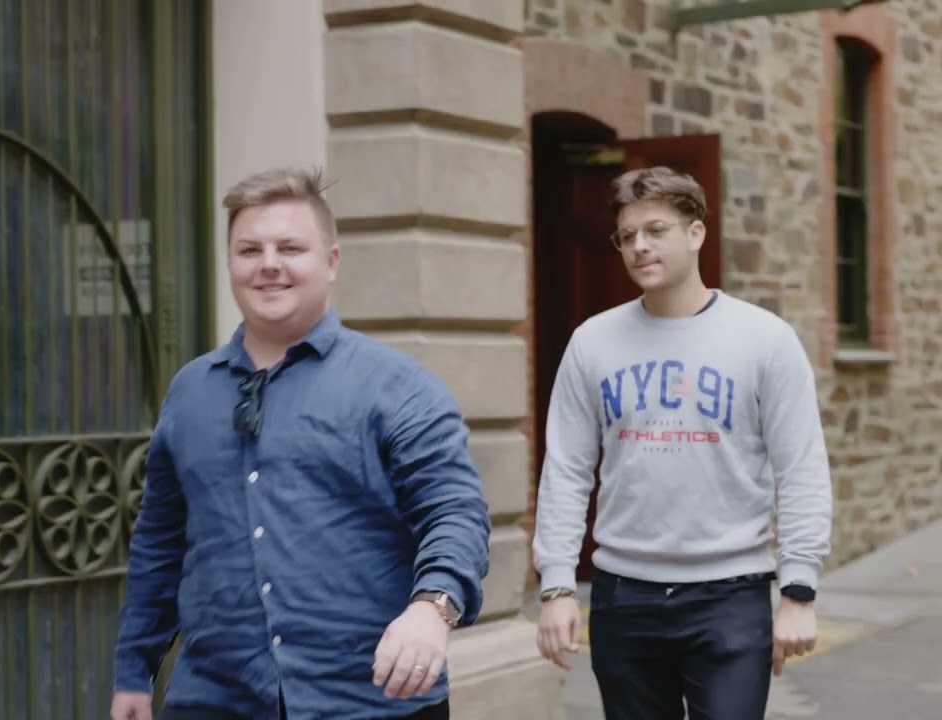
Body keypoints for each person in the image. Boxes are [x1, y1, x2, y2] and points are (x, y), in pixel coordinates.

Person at [109, 166, 492, 720]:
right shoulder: (190, 391)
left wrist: (432, 609)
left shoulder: (398, 386)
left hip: (372, 701)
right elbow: (160, 543)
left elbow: (455, 513)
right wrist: (133, 671)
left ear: (331, 262)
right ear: (230, 263)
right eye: (249, 250)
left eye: (290, 247)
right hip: (217, 700)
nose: (269, 264)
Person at [532, 166, 833, 719]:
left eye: (656, 230)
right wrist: (555, 587)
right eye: (627, 236)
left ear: (696, 232)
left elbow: (802, 470)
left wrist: (799, 590)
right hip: (624, 596)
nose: (639, 247)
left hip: (729, 594)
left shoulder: (764, 339)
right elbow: (567, 469)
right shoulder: (591, 342)